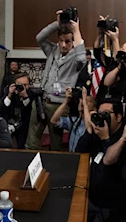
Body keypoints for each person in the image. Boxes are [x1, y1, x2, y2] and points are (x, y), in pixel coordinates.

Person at [25, 10, 86, 151]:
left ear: (73, 42)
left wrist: (76, 30)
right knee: (31, 141)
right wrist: (57, 24)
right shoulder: (53, 50)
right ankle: (30, 167)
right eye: (61, 41)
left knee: (56, 144)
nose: (63, 45)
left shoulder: (76, 58)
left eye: (67, 42)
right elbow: (39, 38)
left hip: (58, 105)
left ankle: (53, 171)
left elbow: (82, 58)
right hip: (42, 99)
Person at [0, 72, 32, 149]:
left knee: (22, 146)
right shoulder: (9, 91)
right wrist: (9, 95)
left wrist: (25, 96)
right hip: (9, 122)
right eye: (20, 85)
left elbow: (28, 110)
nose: (23, 87)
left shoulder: (30, 93)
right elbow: (1, 110)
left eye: (25, 85)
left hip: (24, 125)